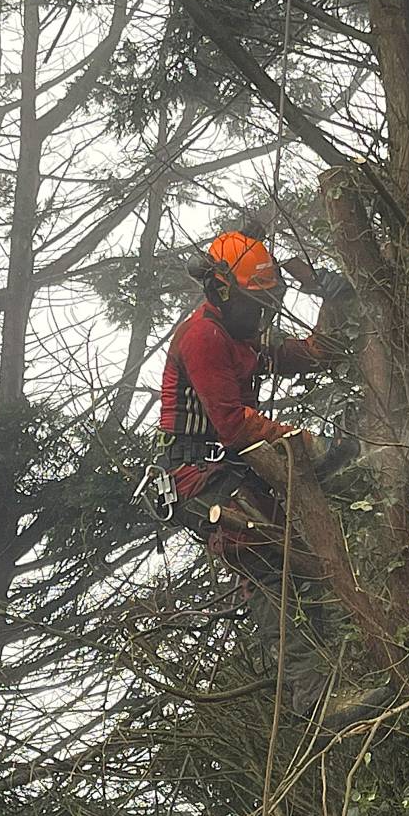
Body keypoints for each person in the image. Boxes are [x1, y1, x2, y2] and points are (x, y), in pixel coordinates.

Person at [152, 227, 370, 722]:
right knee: (267, 564)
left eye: (267, 305)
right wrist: (309, 446)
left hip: (234, 470)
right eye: (256, 305)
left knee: (305, 553)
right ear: (222, 291)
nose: (263, 316)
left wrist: (332, 298)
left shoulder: (244, 335)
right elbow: (232, 424)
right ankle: (314, 695)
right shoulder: (204, 336)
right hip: (198, 475)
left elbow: (317, 352)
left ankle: (339, 669)